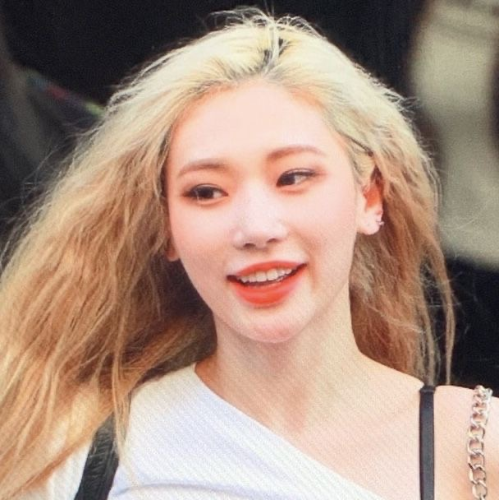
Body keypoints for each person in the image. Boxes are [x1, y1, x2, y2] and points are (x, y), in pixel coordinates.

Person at [0, 8, 497, 500]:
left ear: (368, 197)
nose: (256, 229)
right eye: (206, 192)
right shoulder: (74, 458)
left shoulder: (475, 446)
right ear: (165, 226)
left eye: (294, 177)